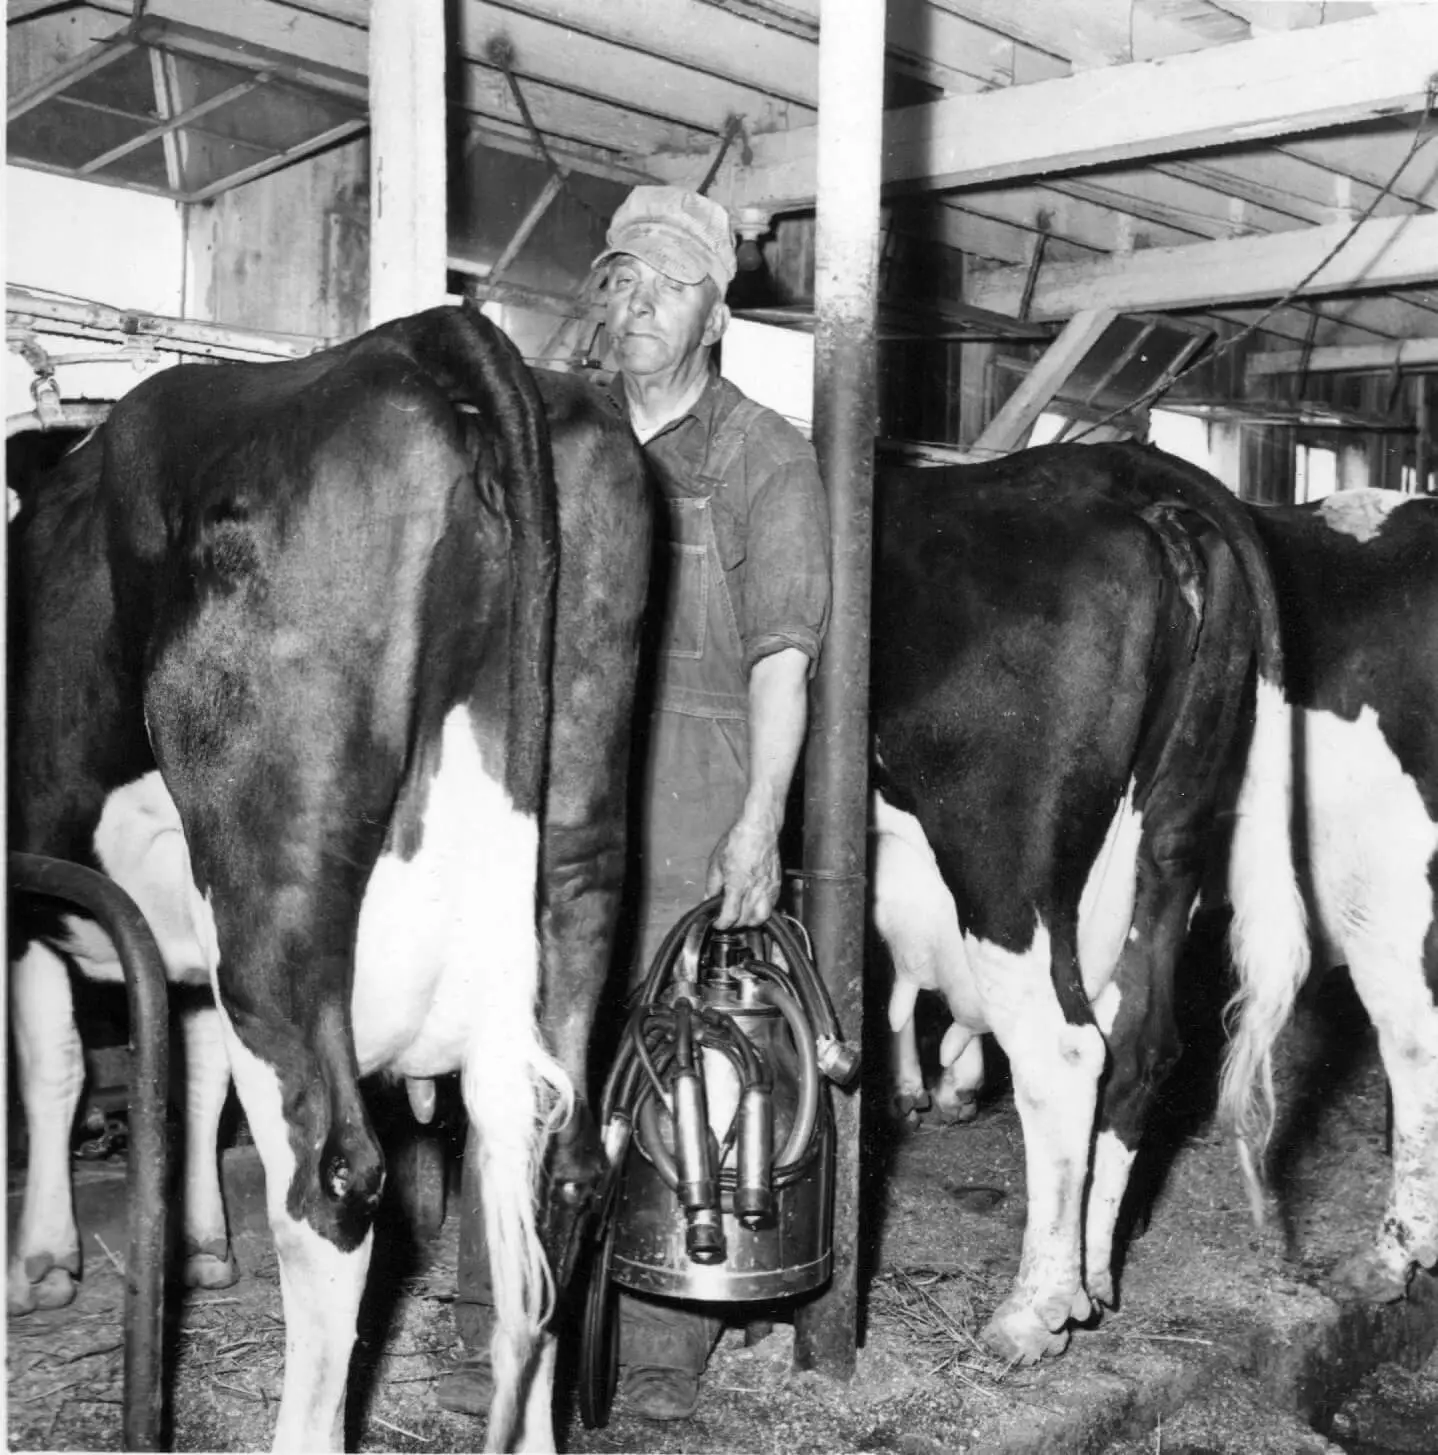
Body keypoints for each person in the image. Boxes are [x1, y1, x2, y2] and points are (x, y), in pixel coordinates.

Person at [437, 184, 831, 1423]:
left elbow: (784, 656)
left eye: (670, 283)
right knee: (516, 1051)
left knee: (676, 1069)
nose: (640, 302)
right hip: (544, 785)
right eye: (622, 278)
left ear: (717, 312)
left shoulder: (762, 453)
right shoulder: (549, 431)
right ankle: (482, 1317)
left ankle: (660, 1351)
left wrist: (761, 818)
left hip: (692, 786)